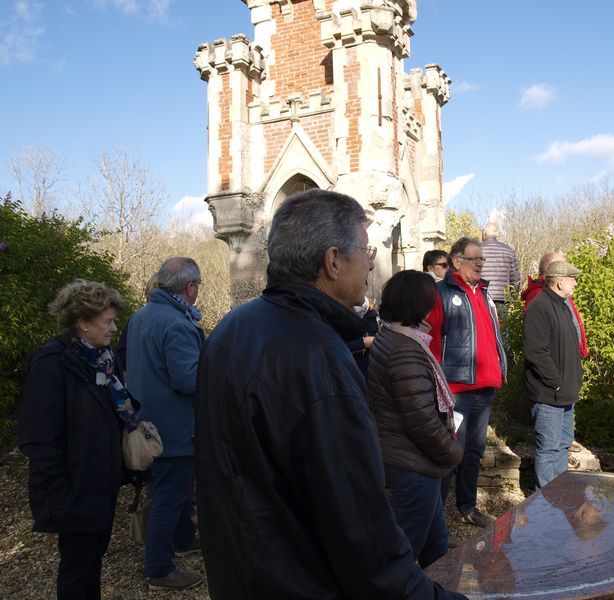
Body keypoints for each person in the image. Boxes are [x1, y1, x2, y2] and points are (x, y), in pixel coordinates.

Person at [194, 190, 466, 599]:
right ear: (333, 261)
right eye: (366, 251)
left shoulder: (233, 326)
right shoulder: (317, 354)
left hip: (242, 575)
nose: (371, 263)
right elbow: (362, 536)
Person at [19, 279, 128, 599]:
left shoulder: (101, 359)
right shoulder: (51, 364)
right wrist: (62, 497)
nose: (114, 327)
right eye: (108, 321)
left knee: (92, 560)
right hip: (74, 489)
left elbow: (105, 413)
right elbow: (39, 439)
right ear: (83, 323)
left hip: (100, 483)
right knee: (77, 568)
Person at [368, 270, 464, 568]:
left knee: (436, 545)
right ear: (418, 305)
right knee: (402, 555)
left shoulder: (393, 335)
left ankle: (438, 586)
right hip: (411, 464)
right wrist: (453, 452)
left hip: (408, 459)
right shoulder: (405, 350)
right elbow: (421, 420)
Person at [125, 257, 205, 591]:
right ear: (190, 287)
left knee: (175, 489)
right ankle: (159, 568)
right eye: (198, 286)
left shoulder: (141, 316)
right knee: (169, 496)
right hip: (174, 426)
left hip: (148, 421)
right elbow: (188, 379)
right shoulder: (177, 323)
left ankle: (183, 538)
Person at [428, 237, 507, 528]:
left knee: (474, 452)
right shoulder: (442, 293)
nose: (480, 264)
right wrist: (438, 386)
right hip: (456, 390)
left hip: (485, 387)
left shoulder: (485, 293)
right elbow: (432, 342)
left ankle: (467, 507)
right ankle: (435, 521)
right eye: (474, 259)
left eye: (481, 259)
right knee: (450, 454)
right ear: (456, 261)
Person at [524, 260, 584, 489]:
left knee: (562, 444)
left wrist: (571, 382)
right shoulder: (539, 307)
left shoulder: (561, 305)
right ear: (559, 282)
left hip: (565, 392)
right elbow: (536, 352)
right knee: (549, 448)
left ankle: (558, 494)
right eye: (572, 279)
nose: (575, 283)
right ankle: (546, 500)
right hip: (549, 394)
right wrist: (556, 382)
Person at [521, 251, 589, 360]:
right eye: (562, 265)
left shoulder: (559, 292)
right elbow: (538, 348)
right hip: (558, 361)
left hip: (569, 357)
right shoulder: (539, 298)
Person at [480, 222, 521, 307]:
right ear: (497, 233)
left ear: (485, 232)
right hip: (502, 298)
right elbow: (515, 277)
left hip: (481, 296)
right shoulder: (508, 250)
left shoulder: (477, 249)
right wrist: (514, 296)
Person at [346, 296, 379, 378]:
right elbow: (336, 346)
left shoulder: (370, 312)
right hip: (352, 369)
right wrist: (362, 343)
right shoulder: (341, 313)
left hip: (369, 369)